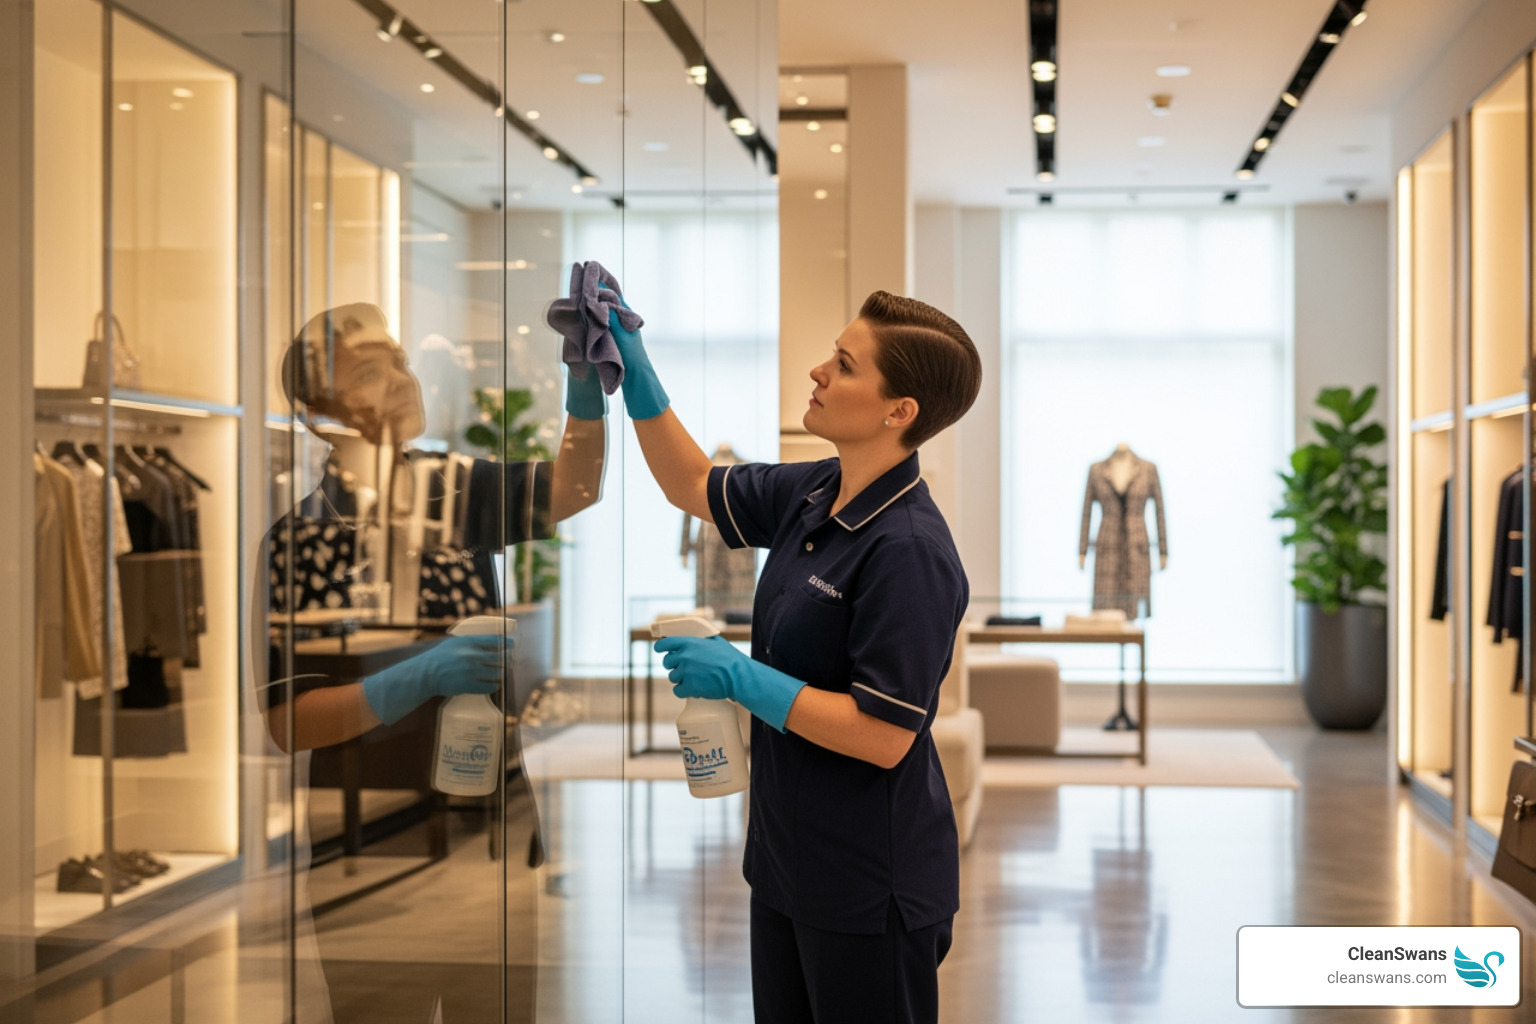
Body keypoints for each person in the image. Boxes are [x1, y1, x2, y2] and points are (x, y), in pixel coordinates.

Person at [611, 286, 983, 1023]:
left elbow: (882, 736)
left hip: (869, 882)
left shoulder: (909, 551)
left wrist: (742, 678)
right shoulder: (815, 488)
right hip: (785, 860)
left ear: (897, 410)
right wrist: (634, 365)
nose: (818, 372)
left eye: (843, 365)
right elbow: (691, 484)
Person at [254, 302, 607, 1023]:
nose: (402, 377)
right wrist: (411, 677)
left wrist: (583, 382)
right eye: (369, 369)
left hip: (489, 833)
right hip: (372, 852)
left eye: (399, 358)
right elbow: (288, 723)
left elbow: (576, 486)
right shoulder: (302, 538)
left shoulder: (456, 490)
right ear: (322, 409)